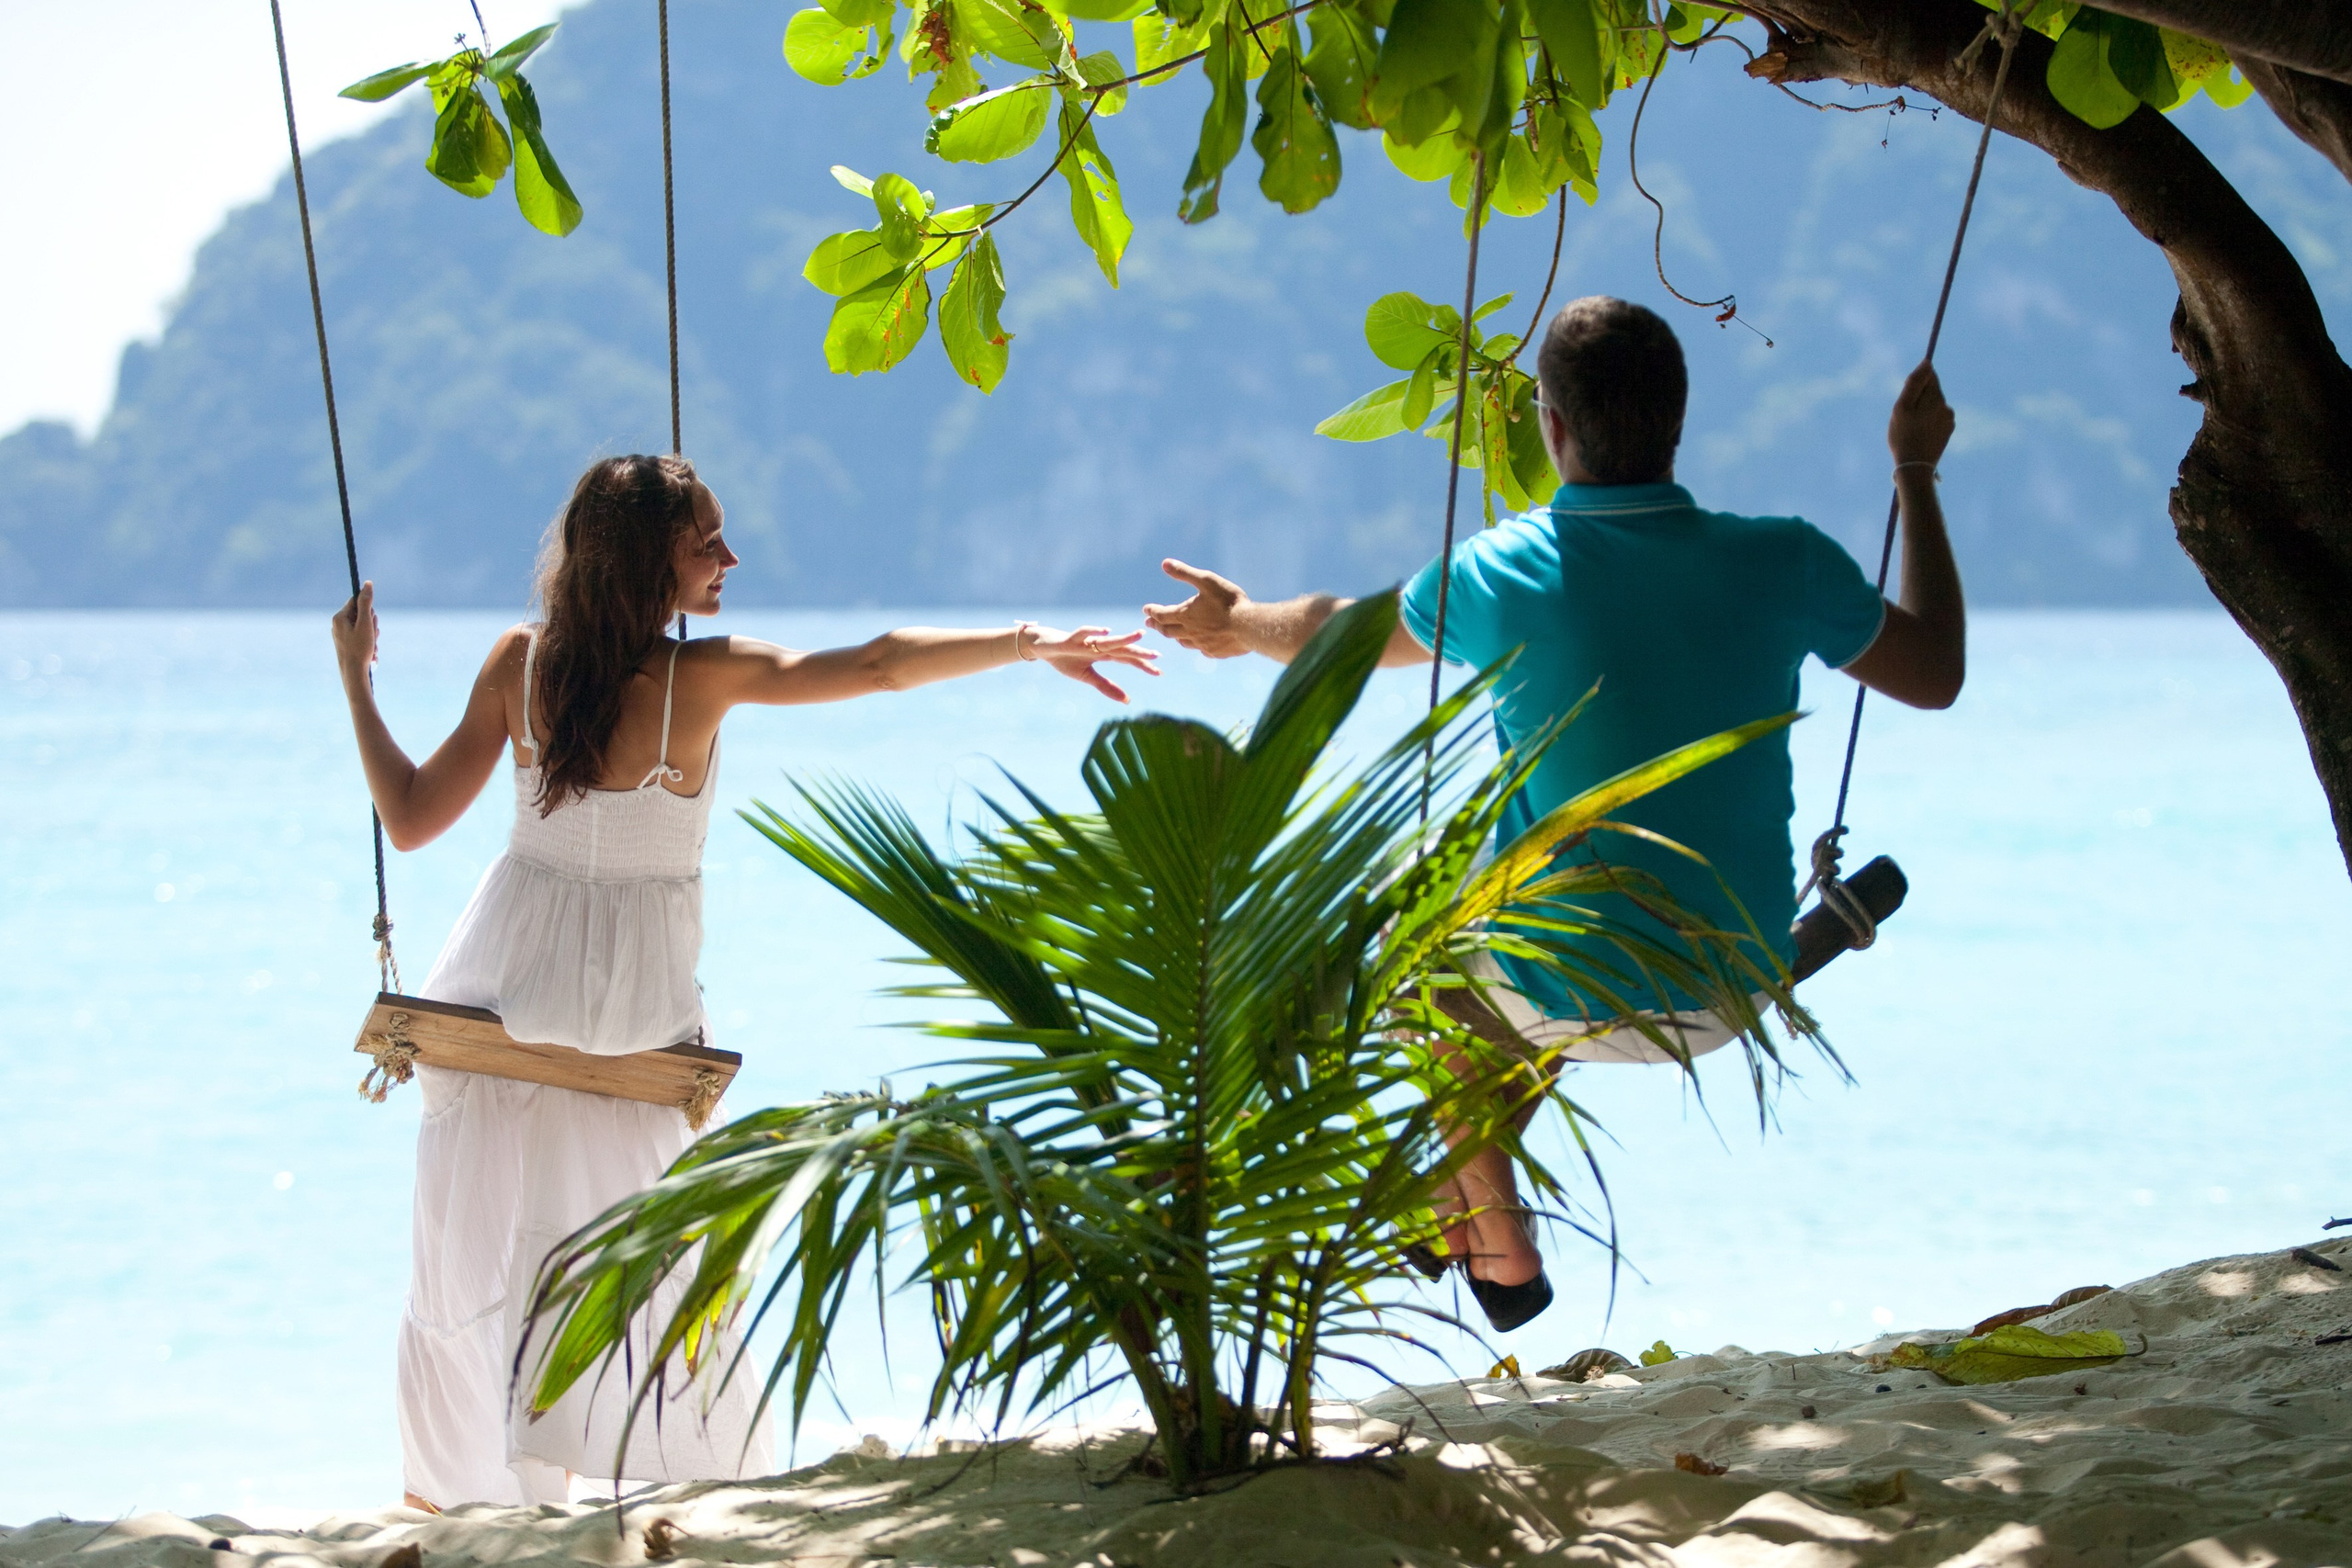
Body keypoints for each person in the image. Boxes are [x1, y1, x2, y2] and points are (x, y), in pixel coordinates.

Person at [330, 453, 1157, 1509]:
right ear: (643, 561)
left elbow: (405, 816)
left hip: (506, 1004)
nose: (730, 556)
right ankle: (573, 1497)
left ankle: (487, 1503)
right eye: (703, 540)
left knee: (501, 1265)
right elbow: (874, 665)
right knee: (613, 1270)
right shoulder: (694, 679)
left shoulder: (520, 663)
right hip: (622, 1029)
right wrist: (1026, 643)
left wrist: (357, 685)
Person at [1142, 296, 1962, 1331]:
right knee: (1518, 968)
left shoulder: (1501, 570)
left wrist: (1233, 622)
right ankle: (1457, 1201)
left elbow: (1335, 632)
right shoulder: (1783, 559)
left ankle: (1499, 1247)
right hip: (1729, 988)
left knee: (1414, 961)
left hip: (1560, 990)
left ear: (1552, 426)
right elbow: (1934, 673)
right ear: (1676, 421)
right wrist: (1915, 473)